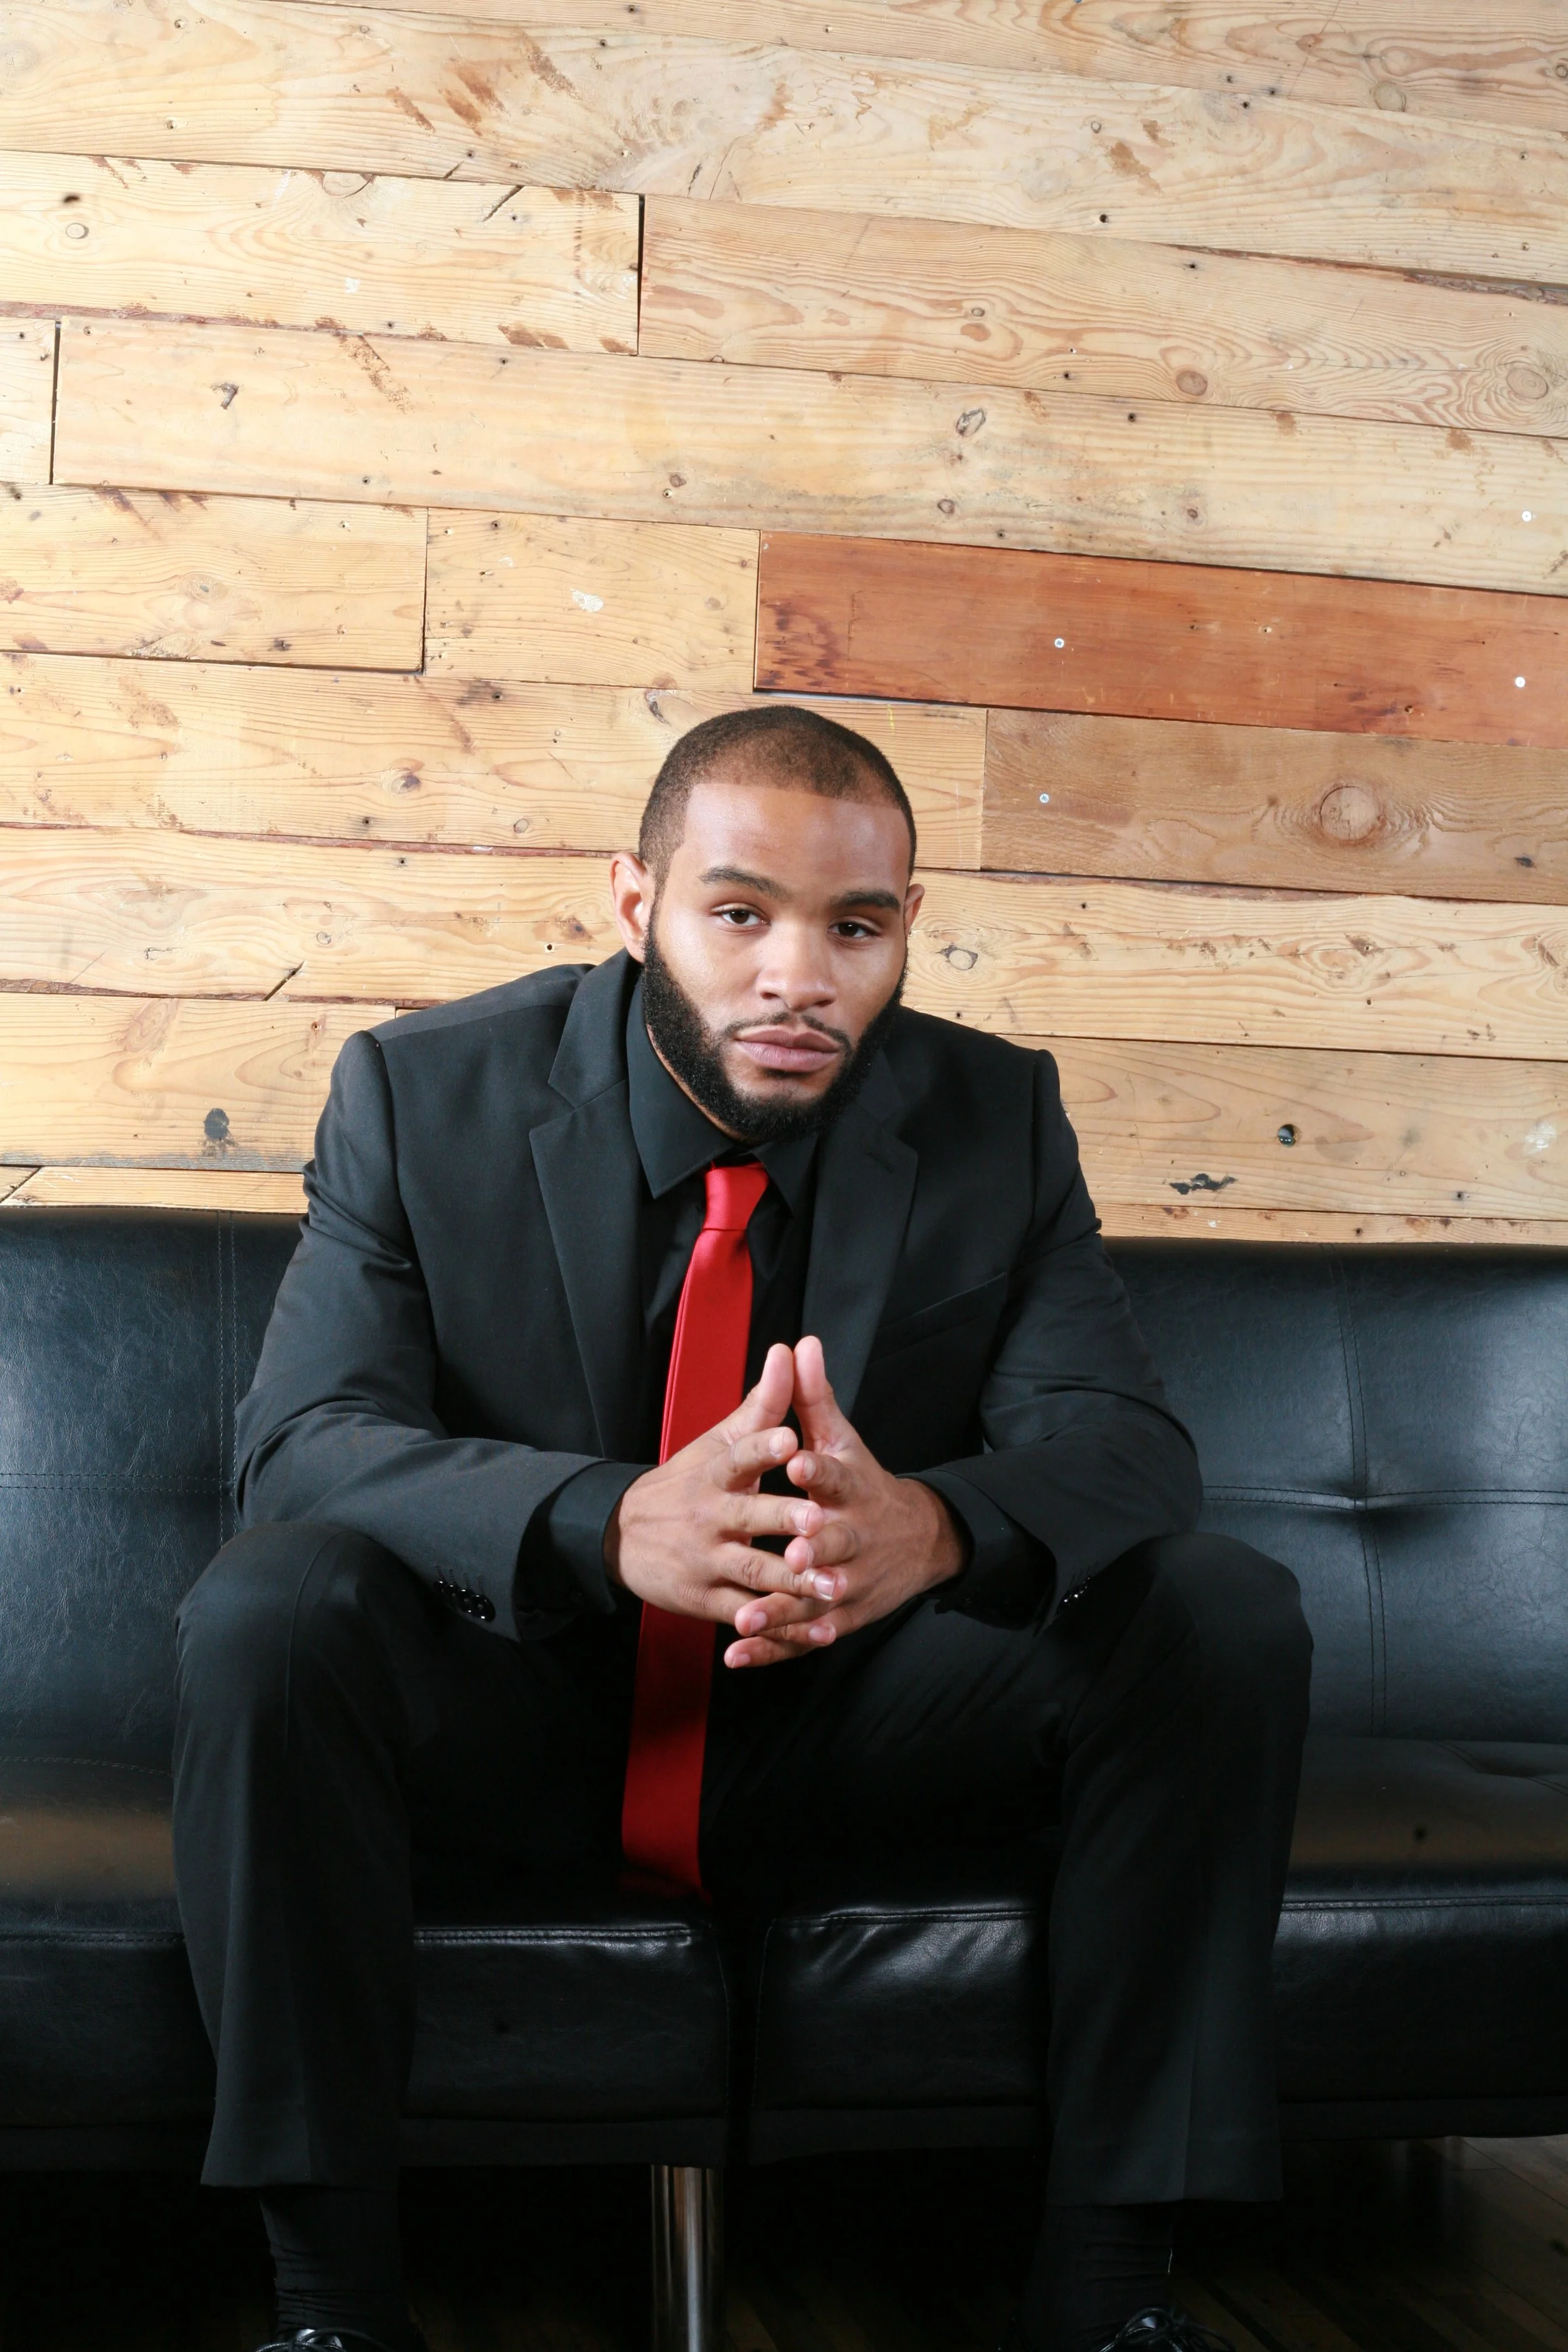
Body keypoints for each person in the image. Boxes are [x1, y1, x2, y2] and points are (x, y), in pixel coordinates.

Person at [173, 705, 1311, 2352]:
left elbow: (1124, 1448)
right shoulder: (422, 1094)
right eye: (740, 912)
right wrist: (598, 1520)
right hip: (525, 1710)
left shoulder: (994, 1115)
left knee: (1214, 1609)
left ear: (903, 926)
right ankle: (330, 2309)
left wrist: (930, 1528)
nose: (799, 975)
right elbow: (305, 1443)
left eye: (856, 926)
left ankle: (1113, 2290)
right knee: (271, 1609)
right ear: (634, 907)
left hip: (837, 1713)